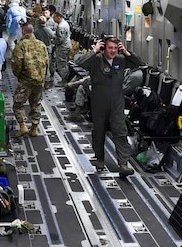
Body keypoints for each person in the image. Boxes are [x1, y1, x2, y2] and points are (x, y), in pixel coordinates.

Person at [80, 36, 143, 178]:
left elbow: (138, 63)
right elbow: (80, 63)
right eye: (110, 48)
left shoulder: (121, 60)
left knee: (120, 131)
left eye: (115, 48)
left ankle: (123, 164)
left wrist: (127, 53)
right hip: (99, 102)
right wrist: (94, 50)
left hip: (116, 102)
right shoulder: (95, 60)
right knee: (99, 132)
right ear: (104, 48)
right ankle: (100, 158)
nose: (113, 51)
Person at [11, 23, 49, 137]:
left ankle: (23, 126)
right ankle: (34, 128)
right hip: (39, 80)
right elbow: (47, 62)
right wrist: (43, 77)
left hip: (26, 80)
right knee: (36, 103)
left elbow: (17, 63)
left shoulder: (21, 45)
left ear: (23, 31)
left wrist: (18, 75)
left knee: (18, 103)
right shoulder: (42, 45)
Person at [51, 11, 72, 85]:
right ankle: (65, 79)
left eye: (54, 17)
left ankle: (64, 81)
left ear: (58, 17)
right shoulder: (65, 23)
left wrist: (53, 41)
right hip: (67, 45)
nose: (53, 19)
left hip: (62, 47)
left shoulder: (61, 26)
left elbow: (60, 39)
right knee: (65, 63)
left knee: (61, 64)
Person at [34, 16, 55, 85]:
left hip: (38, 49)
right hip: (48, 49)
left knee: (39, 65)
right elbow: (53, 37)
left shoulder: (36, 31)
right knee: (47, 65)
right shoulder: (49, 30)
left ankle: (39, 79)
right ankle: (47, 81)